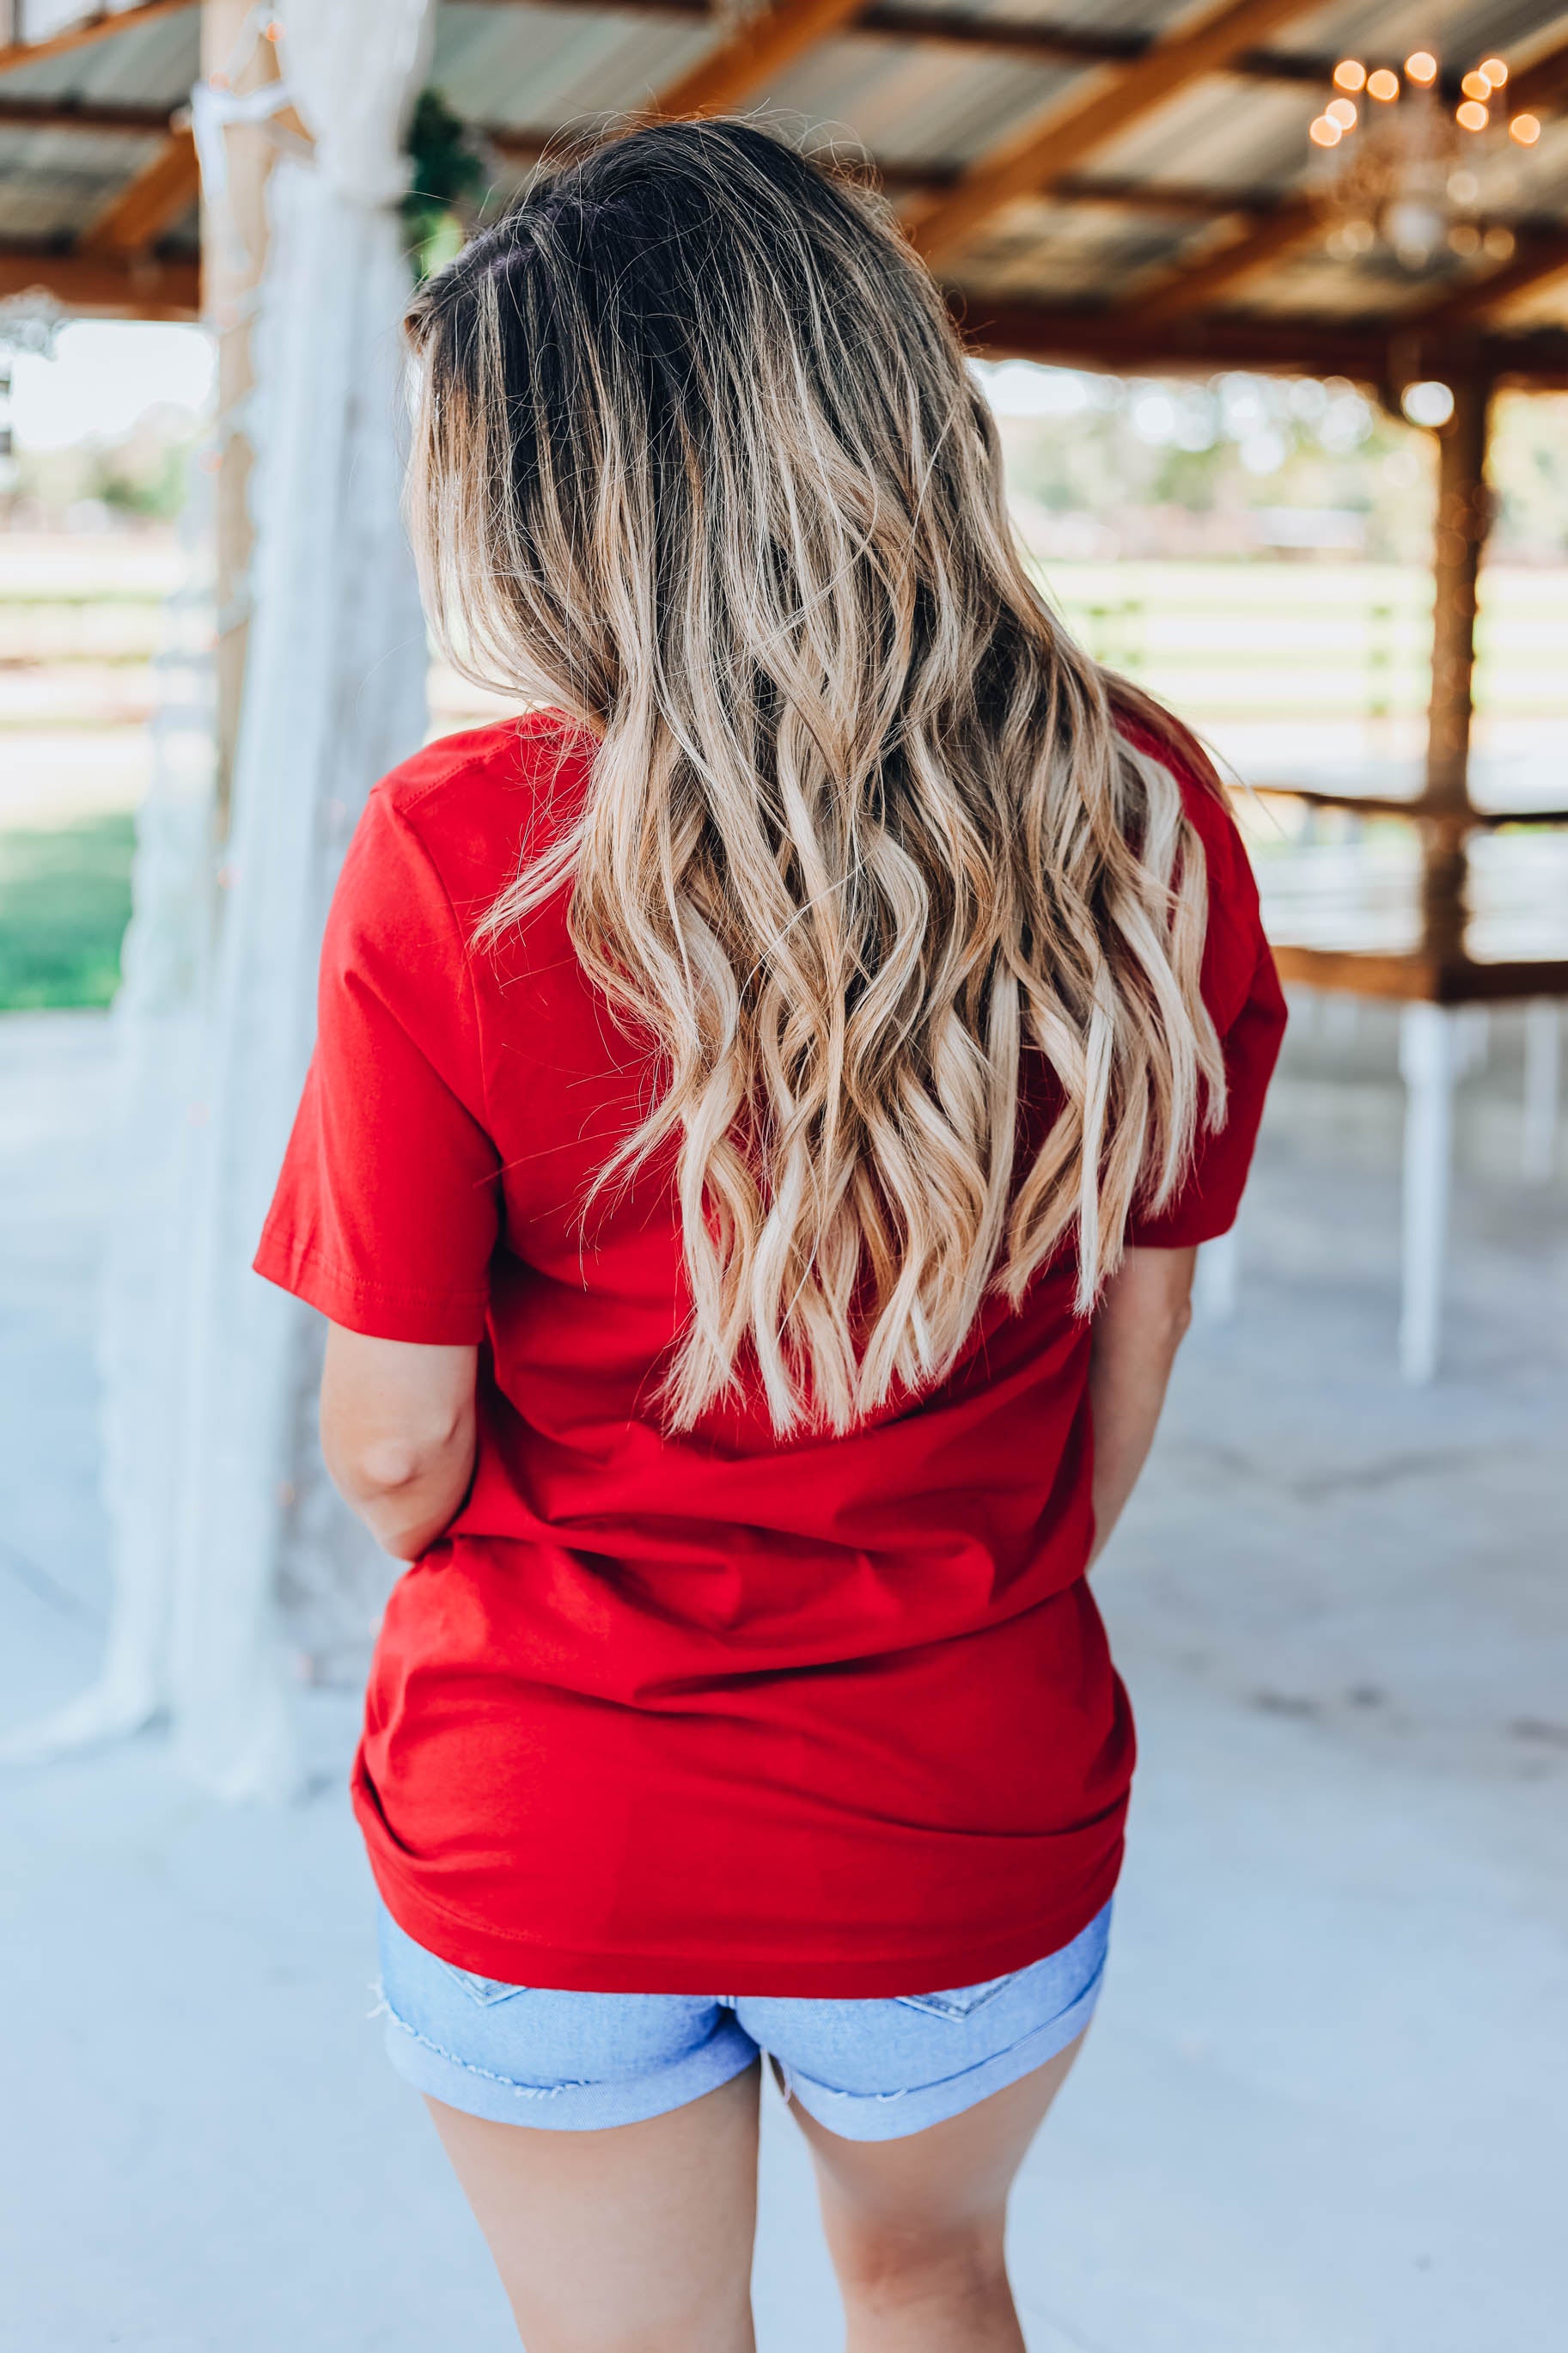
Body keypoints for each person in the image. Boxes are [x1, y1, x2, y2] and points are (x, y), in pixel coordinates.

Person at [256, 119, 1285, 2353]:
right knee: (932, 2280)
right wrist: (964, 1580)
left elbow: (391, 1448)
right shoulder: (1138, 805)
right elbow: (1139, 1332)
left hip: (553, 1798)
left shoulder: (462, 848)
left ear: (559, 501)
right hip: (961, 1789)